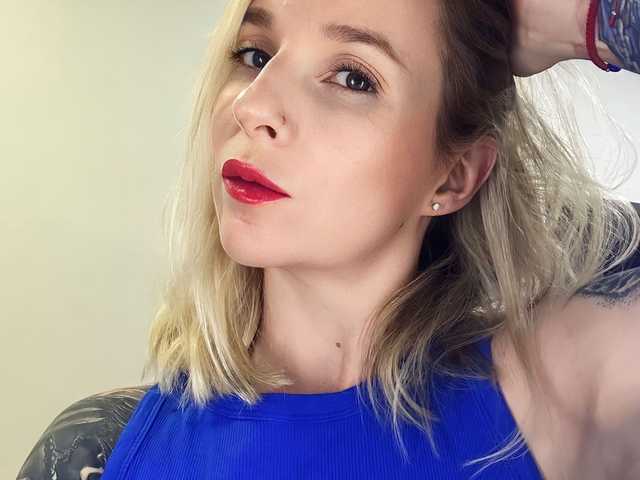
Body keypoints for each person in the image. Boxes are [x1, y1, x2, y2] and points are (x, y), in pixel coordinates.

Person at [17, 0, 640, 478]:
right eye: (255, 54)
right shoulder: (97, 451)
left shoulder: (562, 396)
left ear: (453, 175)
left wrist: (587, 19)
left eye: (351, 77)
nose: (254, 106)